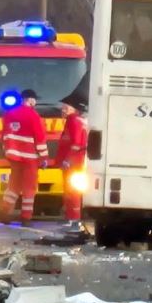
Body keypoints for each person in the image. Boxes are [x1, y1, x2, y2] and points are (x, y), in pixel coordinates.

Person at [0, 89, 48, 226]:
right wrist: (44, 158)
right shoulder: (33, 115)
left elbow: (4, 134)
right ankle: (26, 217)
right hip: (29, 157)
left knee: (14, 185)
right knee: (29, 188)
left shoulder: (9, 113)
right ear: (30, 100)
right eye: (34, 99)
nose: (35, 102)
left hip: (13, 156)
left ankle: (3, 211)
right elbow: (40, 137)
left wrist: (8, 151)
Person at [56, 94, 88, 232]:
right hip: (74, 162)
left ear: (74, 109)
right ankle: (71, 218)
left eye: (66, 107)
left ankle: (74, 220)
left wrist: (68, 160)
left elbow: (76, 143)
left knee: (72, 191)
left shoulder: (73, 121)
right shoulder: (76, 120)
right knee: (70, 191)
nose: (63, 110)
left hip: (74, 163)